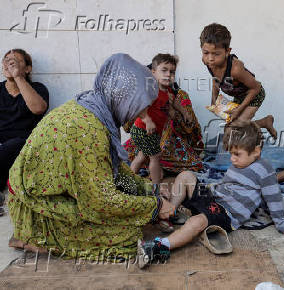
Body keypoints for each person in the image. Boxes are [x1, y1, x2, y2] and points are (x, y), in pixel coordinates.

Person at [7, 53, 176, 258]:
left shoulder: (93, 107)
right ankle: (34, 238)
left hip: (53, 192)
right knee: (128, 235)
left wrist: (150, 191)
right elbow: (99, 201)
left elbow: (114, 172)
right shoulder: (88, 130)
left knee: (131, 216)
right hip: (36, 206)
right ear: (124, 95)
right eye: (141, 103)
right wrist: (155, 206)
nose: (143, 112)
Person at [137, 122, 284, 267]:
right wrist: (208, 192)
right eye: (231, 153)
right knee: (186, 175)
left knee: (197, 221)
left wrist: (281, 222)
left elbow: (274, 198)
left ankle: (159, 246)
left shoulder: (265, 170)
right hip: (213, 200)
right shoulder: (239, 163)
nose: (232, 159)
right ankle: (170, 212)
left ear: (256, 151)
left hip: (227, 213)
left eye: (237, 154)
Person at [200, 23, 277, 139]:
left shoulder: (235, 69)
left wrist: (239, 110)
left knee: (236, 129)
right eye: (206, 53)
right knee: (229, 130)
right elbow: (215, 79)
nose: (210, 58)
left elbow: (256, 88)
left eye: (216, 54)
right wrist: (214, 102)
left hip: (254, 94)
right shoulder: (208, 62)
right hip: (239, 96)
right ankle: (263, 123)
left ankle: (263, 123)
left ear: (227, 51)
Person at [0, 49, 49, 191]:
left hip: (25, 144)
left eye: (16, 61)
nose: (11, 63)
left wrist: (18, 77)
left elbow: (38, 108)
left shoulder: (38, 88)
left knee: (14, 145)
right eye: (7, 60)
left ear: (27, 68)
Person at [130, 54, 182, 186]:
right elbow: (139, 106)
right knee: (156, 156)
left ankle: (128, 180)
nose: (168, 75)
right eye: (164, 70)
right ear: (153, 72)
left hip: (150, 132)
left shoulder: (167, 90)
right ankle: (157, 186)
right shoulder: (152, 89)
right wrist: (147, 120)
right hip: (143, 129)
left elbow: (173, 103)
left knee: (142, 156)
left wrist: (182, 112)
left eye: (172, 72)